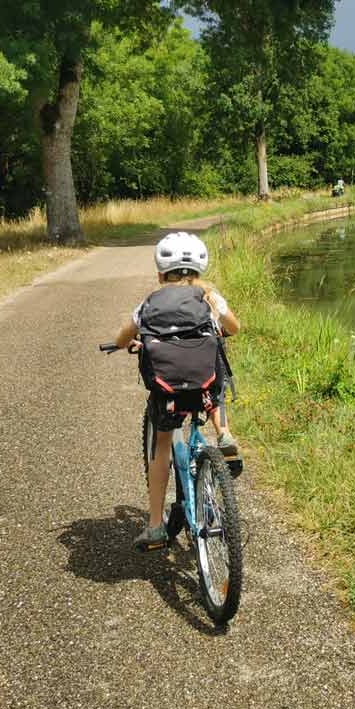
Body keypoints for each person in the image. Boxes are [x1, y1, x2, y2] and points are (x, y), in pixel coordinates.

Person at [112, 231, 241, 552]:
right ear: (201, 269)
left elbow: (120, 339)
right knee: (215, 379)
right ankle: (223, 434)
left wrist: (133, 340)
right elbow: (235, 328)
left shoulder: (149, 303)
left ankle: (156, 526)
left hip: (168, 394)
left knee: (162, 445)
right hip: (205, 388)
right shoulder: (210, 296)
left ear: (160, 273)